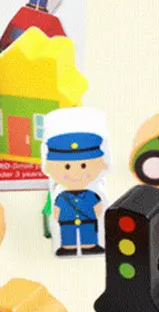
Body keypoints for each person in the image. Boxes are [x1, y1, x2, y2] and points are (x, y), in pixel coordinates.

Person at [41, 107, 109, 257]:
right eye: (67, 167)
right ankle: (68, 247)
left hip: (88, 220)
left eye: (84, 165)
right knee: (67, 232)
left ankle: (90, 245)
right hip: (67, 221)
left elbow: (99, 207)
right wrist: (56, 213)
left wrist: (99, 211)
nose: (75, 173)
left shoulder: (93, 192)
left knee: (89, 231)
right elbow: (56, 208)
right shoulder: (61, 195)